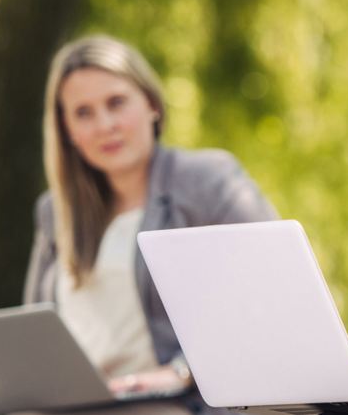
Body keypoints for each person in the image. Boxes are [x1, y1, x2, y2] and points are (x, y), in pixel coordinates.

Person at [23, 35, 278, 414]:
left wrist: (182, 371)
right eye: (83, 113)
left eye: (116, 103)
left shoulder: (207, 181)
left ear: (152, 104)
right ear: (67, 131)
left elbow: (275, 294)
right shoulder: (54, 212)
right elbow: (34, 333)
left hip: (170, 403)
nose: (104, 125)